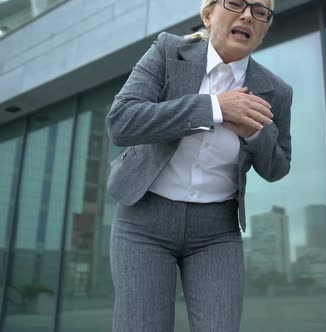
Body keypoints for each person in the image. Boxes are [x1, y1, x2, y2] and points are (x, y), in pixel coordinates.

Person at [105, 0, 292, 330]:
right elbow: (122, 121)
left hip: (216, 232)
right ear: (208, 14)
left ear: (262, 30)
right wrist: (215, 108)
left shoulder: (276, 91)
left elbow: (277, 166)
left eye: (260, 11)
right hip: (143, 221)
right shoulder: (167, 51)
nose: (248, 14)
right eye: (236, 3)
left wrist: (255, 133)